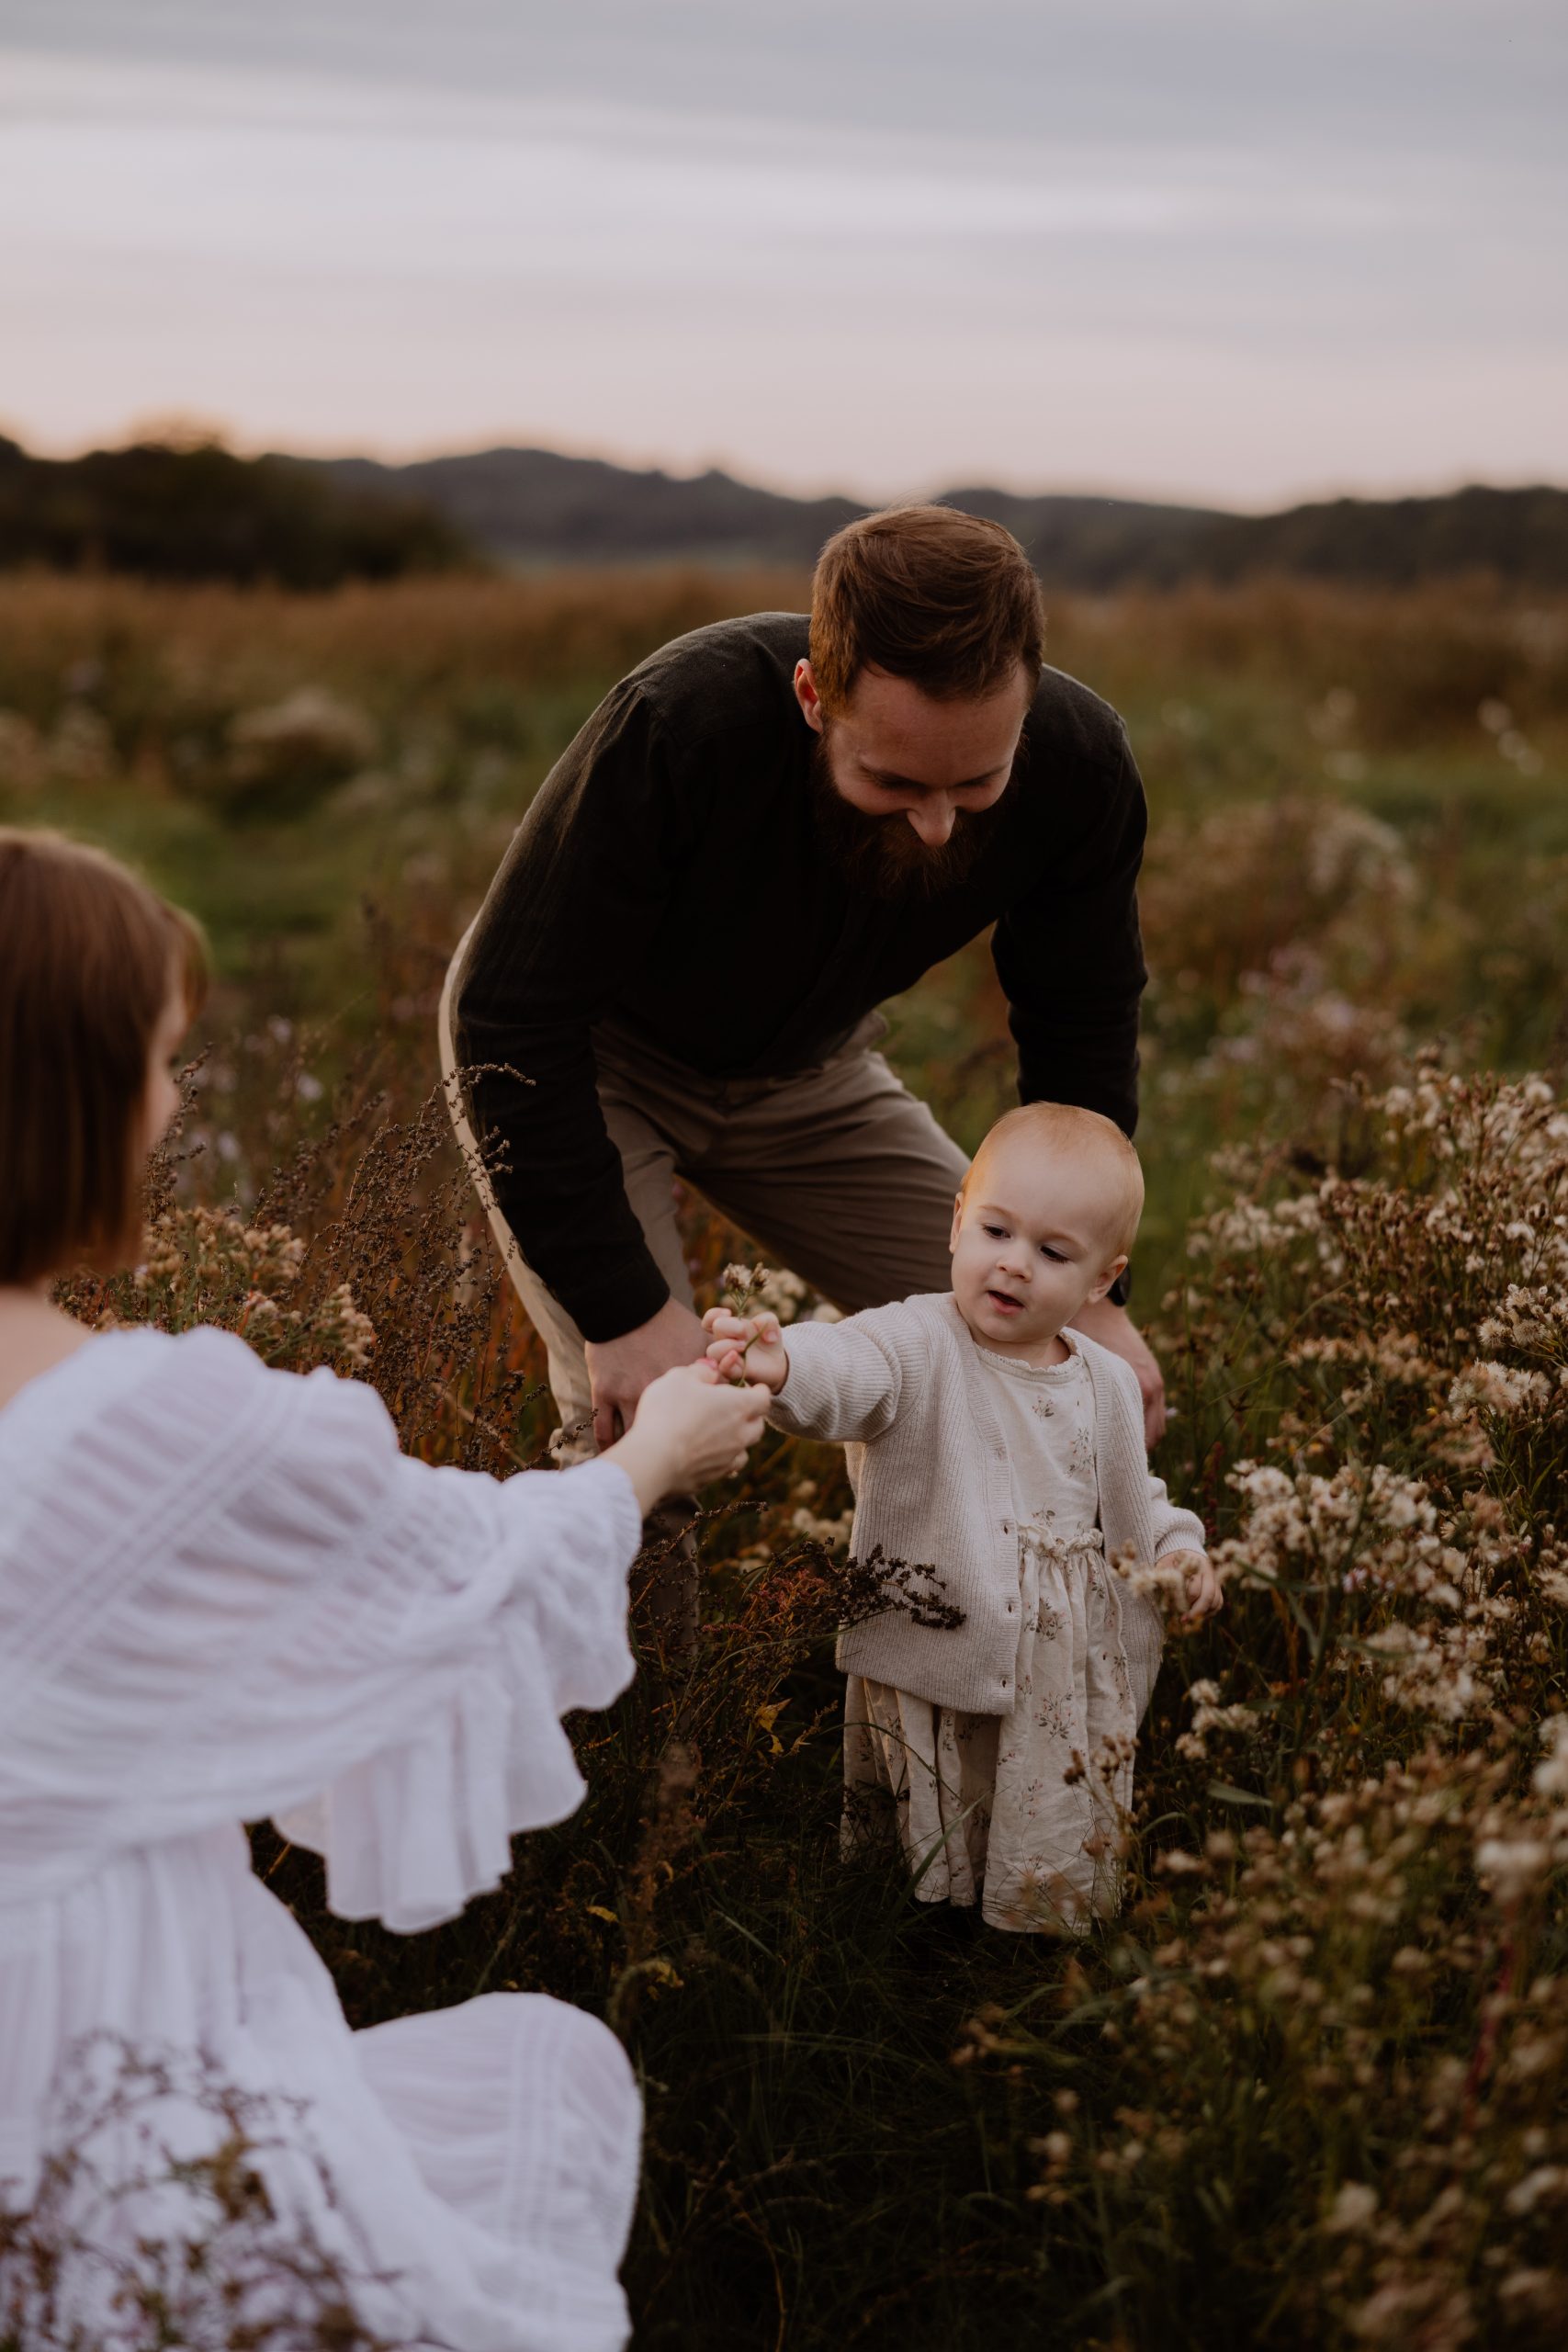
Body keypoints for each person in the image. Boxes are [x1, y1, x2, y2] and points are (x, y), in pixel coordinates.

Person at [0, 831, 769, 2350]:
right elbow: (457, 1587)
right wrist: (654, 1461)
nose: (169, 1112)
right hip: (89, 2009)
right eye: (157, 1066)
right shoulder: (154, 1431)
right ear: (67, 1100)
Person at [440, 507, 1166, 1580]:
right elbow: (511, 1019)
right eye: (894, 782)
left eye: (976, 786)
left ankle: (988, 1682)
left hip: (809, 1073)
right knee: (659, 1430)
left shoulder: (1079, 767)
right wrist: (627, 1311)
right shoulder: (682, 723)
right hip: (586, 1059)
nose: (936, 825)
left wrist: (1089, 1297)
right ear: (812, 697)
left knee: (1040, 1354)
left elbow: (1082, 1017)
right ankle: (640, 1739)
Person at [704, 1102, 1223, 1934]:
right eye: (995, 1231)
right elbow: (849, 1370)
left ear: (1100, 1280)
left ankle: (1021, 1929)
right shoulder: (917, 1341)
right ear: (955, 1225)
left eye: (1051, 1252)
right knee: (938, 1788)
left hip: (1057, 1659)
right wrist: (785, 1361)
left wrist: (1177, 1548)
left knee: (1035, 1790)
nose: (1013, 1265)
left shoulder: (1105, 1381)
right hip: (943, 1635)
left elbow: (1132, 1493)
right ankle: (916, 1931)